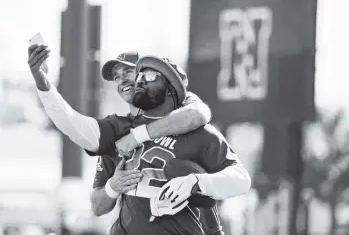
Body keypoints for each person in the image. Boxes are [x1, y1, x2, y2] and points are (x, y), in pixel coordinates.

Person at [28, 45, 251, 234]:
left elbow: (241, 178)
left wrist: (197, 182)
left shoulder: (198, 128)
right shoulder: (116, 129)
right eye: (117, 77)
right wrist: (42, 82)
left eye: (133, 73)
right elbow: (71, 123)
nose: (126, 81)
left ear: (170, 82)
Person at [91, 53, 224, 235]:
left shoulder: (186, 116)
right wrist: (112, 187)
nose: (122, 81)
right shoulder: (116, 131)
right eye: (116, 77)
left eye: (129, 72)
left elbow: (199, 113)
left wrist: (139, 135)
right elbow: (98, 207)